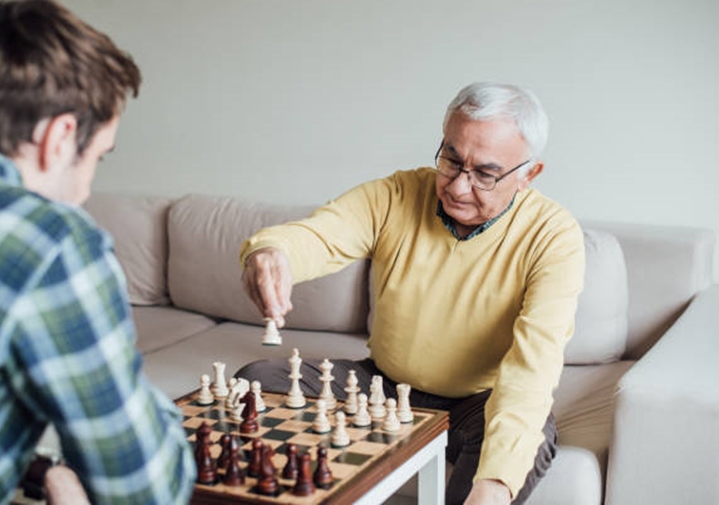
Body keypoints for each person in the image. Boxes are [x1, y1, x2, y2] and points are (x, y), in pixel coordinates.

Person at [238, 82, 585, 505]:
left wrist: (493, 487)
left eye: (485, 175)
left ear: (528, 174)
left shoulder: (554, 235)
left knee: (526, 443)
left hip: (477, 405)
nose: (458, 187)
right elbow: (320, 235)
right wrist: (273, 252)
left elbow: (534, 367)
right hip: (380, 385)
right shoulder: (397, 194)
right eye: (451, 160)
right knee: (256, 383)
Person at [0, 1, 196, 503]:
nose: (86, 190)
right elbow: (147, 490)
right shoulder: (49, 240)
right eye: (98, 158)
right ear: (59, 137)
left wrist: (43, 470)